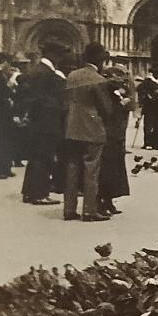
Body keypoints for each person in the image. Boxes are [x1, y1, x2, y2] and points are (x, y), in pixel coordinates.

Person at [63, 42, 114, 222]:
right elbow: (106, 109)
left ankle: (69, 209)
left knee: (72, 167)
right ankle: (89, 210)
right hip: (92, 129)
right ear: (100, 60)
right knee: (91, 168)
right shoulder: (98, 79)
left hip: (72, 127)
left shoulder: (72, 76)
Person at [20, 48, 66, 205]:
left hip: (37, 123)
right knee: (43, 157)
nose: (61, 58)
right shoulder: (46, 73)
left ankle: (29, 192)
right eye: (59, 54)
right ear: (53, 55)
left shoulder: (38, 70)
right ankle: (39, 194)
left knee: (36, 157)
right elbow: (44, 100)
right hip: (46, 123)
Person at [98, 65, 134, 216]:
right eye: (120, 76)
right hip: (109, 135)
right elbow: (108, 111)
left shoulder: (119, 90)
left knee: (115, 168)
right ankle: (102, 201)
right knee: (106, 169)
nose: (122, 80)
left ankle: (109, 200)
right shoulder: (107, 90)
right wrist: (121, 103)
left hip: (117, 135)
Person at [137, 67, 158, 149]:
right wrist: (149, 94)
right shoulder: (147, 82)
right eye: (155, 73)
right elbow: (140, 90)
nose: (157, 74)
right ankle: (148, 143)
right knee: (149, 125)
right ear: (152, 73)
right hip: (150, 107)